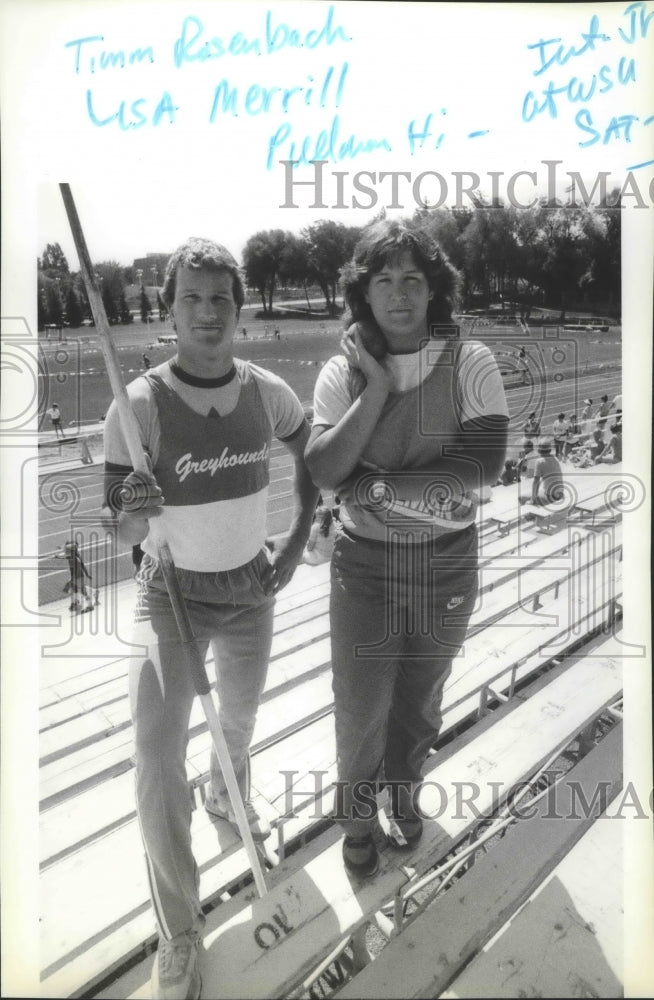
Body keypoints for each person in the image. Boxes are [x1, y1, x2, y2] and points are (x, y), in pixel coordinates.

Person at [101, 237, 318, 1000]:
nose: (206, 312)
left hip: (251, 590)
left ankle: (229, 792)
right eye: (190, 297)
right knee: (157, 761)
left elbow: (311, 459)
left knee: (236, 731)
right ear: (169, 310)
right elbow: (120, 534)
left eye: (220, 297)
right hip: (172, 595)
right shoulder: (134, 407)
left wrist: (294, 546)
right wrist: (134, 512)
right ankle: (180, 931)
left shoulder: (266, 391)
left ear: (240, 306)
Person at [305, 219, 508, 879]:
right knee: (361, 705)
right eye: (384, 280)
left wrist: (373, 486)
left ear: (434, 290)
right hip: (365, 568)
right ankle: (358, 823)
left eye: (412, 279)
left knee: (420, 700)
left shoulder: (470, 360)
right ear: (364, 291)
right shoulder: (343, 372)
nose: (398, 293)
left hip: (447, 559)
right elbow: (324, 469)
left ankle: (404, 792)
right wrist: (379, 392)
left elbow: (481, 465)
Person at [55, 540, 94, 612]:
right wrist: (87, 574)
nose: (66, 551)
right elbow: (83, 566)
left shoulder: (72, 558)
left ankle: (89, 605)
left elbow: (64, 555)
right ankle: (76, 603)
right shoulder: (75, 556)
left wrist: (58, 555)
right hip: (77, 576)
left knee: (82, 591)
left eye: (68, 550)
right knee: (72, 589)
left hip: (77, 577)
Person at [531, 437, 564, 506]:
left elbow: (536, 481)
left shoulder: (539, 462)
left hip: (551, 496)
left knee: (522, 497)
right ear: (550, 450)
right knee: (541, 491)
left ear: (539, 451)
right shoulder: (555, 459)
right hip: (560, 494)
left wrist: (533, 499)